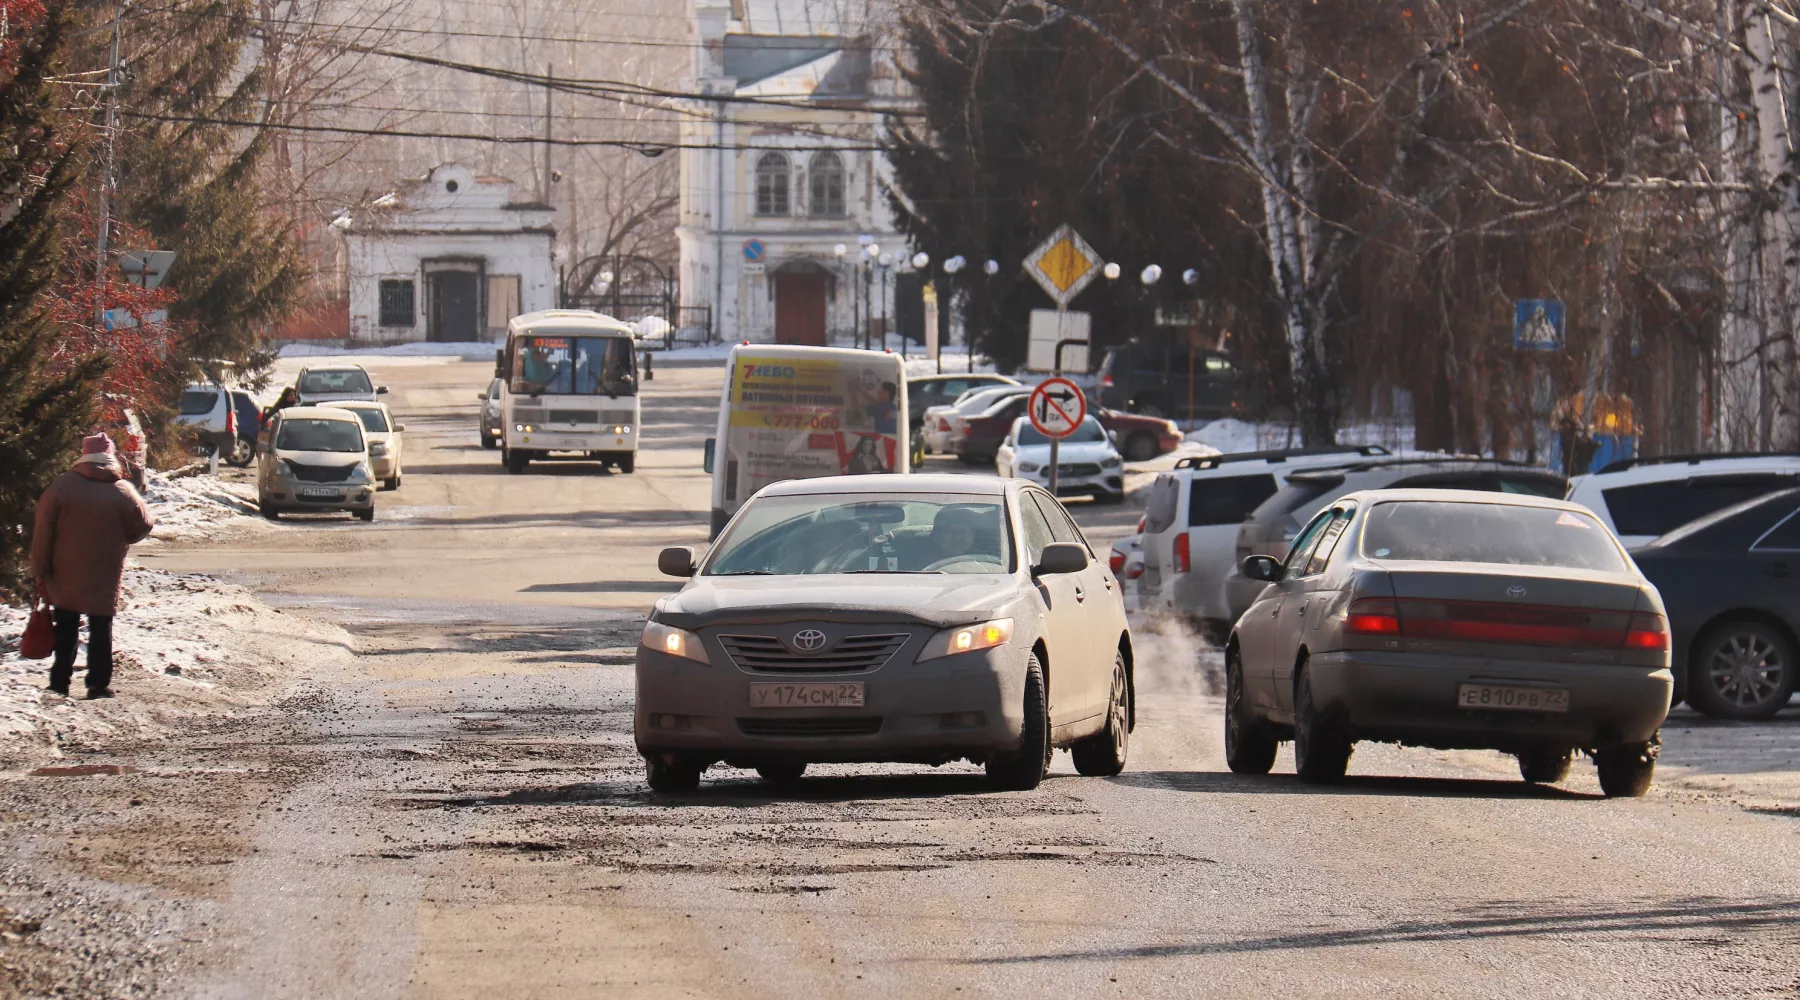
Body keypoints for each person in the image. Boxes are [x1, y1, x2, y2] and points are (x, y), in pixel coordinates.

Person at [30, 434, 155, 699]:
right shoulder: (123, 490)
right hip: (105, 569)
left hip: (64, 570)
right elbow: (144, 524)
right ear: (111, 457)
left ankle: (59, 682)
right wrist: (124, 539)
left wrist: (40, 570)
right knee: (100, 625)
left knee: (66, 624)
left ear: (83, 455)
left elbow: (43, 532)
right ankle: (98, 684)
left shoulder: (60, 488)